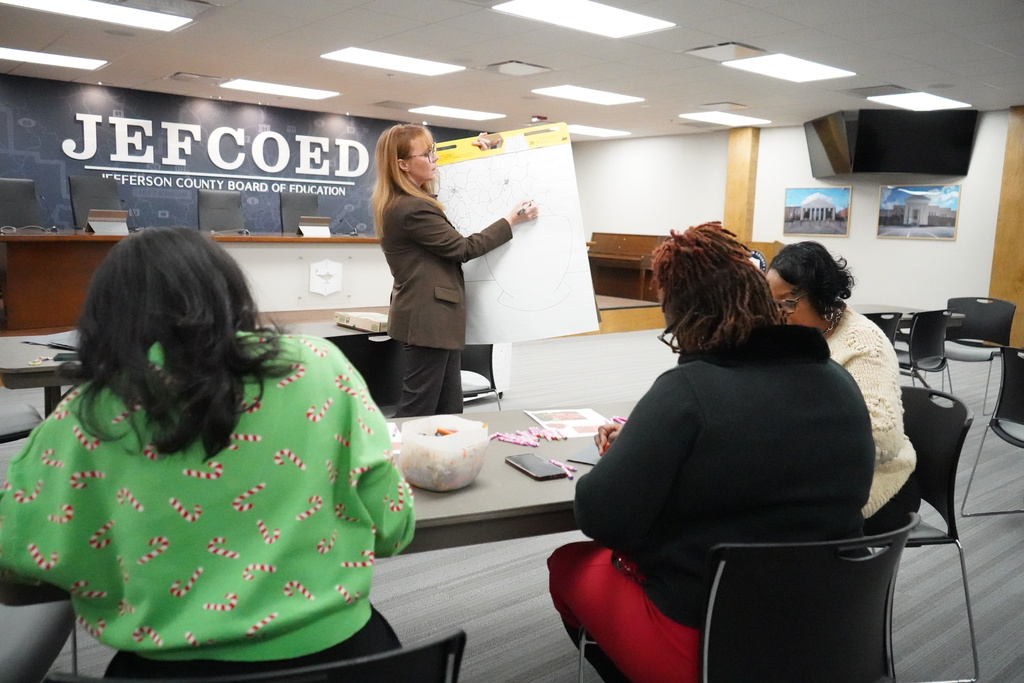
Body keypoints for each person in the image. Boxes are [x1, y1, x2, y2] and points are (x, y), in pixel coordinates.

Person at [0, 227, 415, 678]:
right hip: (351, 662)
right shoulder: (320, 367)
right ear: (229, 292)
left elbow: (17, 555)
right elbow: (392, 528)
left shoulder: (84, 419)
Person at [550, 222, 876, 683]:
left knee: (567, 564)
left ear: (682, 316)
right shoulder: (841, 383)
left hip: (708, 640)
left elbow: (603, 517)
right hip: (829, 628)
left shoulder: (686, 391)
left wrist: (630, 461)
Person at [371, 123, 538, 417]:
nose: (435, 159)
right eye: (427, 154)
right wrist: (510, 221)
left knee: (448, 406)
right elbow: (462, 249)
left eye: (434, 151)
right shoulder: (412, 209)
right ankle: (394, 460)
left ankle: (441, 458)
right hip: (429, 319)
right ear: (403, 165)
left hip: (433, 318)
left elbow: (441, 171)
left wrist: (482, 151)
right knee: (418, 408)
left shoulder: (406, 200)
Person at [766, 241, 920, 534]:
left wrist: (797, 455)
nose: (778, 313)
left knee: (771, 521)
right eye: (771, 302)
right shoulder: (794, 333)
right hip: (813, 470)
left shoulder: (863, 344)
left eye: (787, 302)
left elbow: (882, 439)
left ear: (820, 296)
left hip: (874, 478)